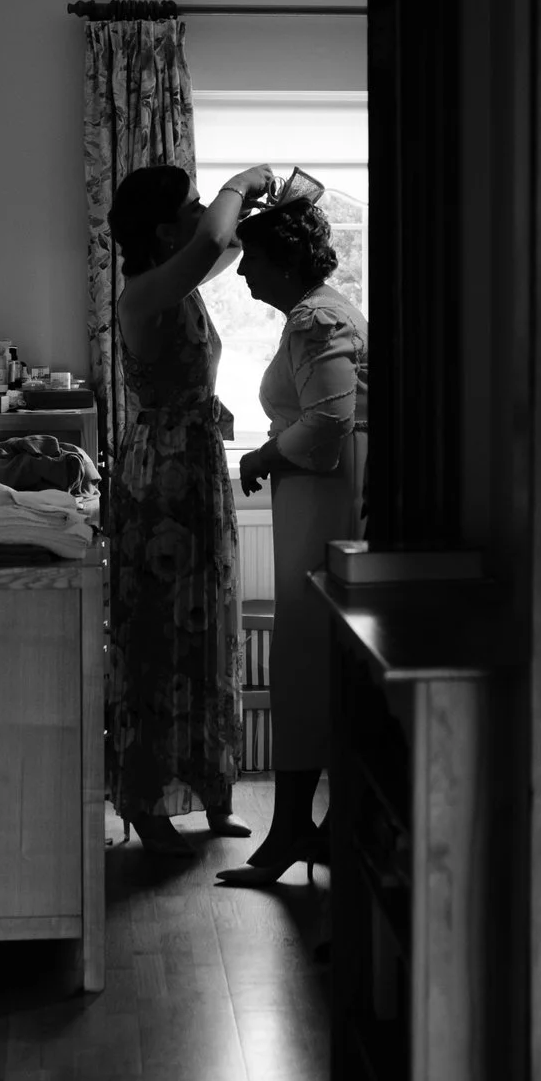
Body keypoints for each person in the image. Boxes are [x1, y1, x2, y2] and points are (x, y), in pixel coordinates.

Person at [101, 161, 277, 856]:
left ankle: (212, 790)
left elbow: (223, 244)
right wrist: (242, 179)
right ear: (161, 227)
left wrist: (260, 204)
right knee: (157, 641)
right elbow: (212, 242)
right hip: (162, 479)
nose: (203, 209)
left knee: (207, 634)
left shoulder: (177, 279)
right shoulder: (142, 293)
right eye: (190, 203)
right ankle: (148, 802)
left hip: (197, 468)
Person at [217, 191, 368, 889]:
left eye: (251, 261)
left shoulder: (315, 320)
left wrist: (260, 458)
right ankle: (312, 829)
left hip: (327, 502)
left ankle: (292, 834)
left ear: (281, 262)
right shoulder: (321, 311)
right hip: (318, 500)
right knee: (311, 660)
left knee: (308, 657)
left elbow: (329, 425)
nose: (244, 276)